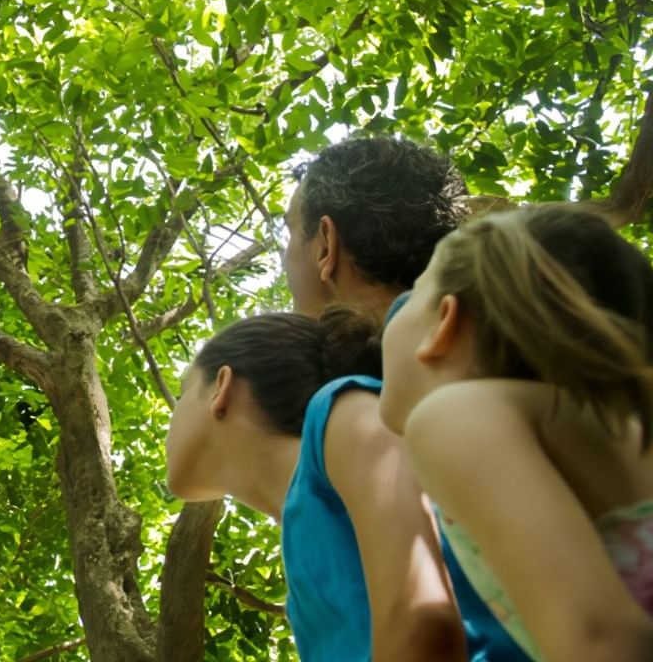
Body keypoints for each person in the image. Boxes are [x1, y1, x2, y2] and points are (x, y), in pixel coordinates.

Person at [281, 135, 532, 661]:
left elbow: (422, 624)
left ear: (326, 244)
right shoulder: (522, 340)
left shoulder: (354, 405)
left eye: (289, 234)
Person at [379, 204, 653, 661]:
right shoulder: (610, 429)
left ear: (443, 322)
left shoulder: (454, 416)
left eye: (413, 293)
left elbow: (603, 641)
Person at [167, 307, 467, 661]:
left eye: (183, 390)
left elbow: (424, 622)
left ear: (221, 385)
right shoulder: (299, 542)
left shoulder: (343, 412)